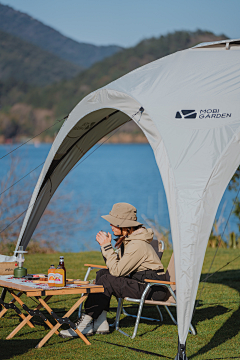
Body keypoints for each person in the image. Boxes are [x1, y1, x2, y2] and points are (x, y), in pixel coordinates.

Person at [60, 202, 167, 338]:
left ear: (126, 226)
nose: (110, 226)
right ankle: (100, 321)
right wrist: (106, 247)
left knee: (107, 279)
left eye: (114, 223)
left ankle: (84, 323)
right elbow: (113, 267)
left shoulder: (137, 244)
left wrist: (106, 247)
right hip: (141, 282)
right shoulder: (129, 240)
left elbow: (117, 271)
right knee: (103, 274)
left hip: (152, 287)